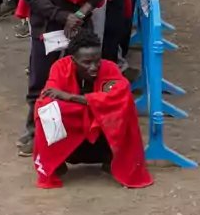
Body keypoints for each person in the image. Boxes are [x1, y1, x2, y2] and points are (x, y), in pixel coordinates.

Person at [16, 0, 110, 156]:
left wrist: (80, 14)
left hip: (80, 26)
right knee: (40, 79)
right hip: (46, 28)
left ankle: (80, 133)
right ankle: (35, 131)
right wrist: (61, 15)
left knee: (82, 78)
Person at [31, 29, 152, 189]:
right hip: (72, 140)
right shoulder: (60, 67)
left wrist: (71, 98)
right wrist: (96, 106)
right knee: (47, 111)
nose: (94, 67)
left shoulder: (110, 68)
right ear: (73, 60)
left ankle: (112, 161)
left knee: (122, 109)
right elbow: (46, 100)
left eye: (97, 60)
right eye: (87, 62)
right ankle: (57, 162)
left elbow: (120, 97)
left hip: (102, 139)